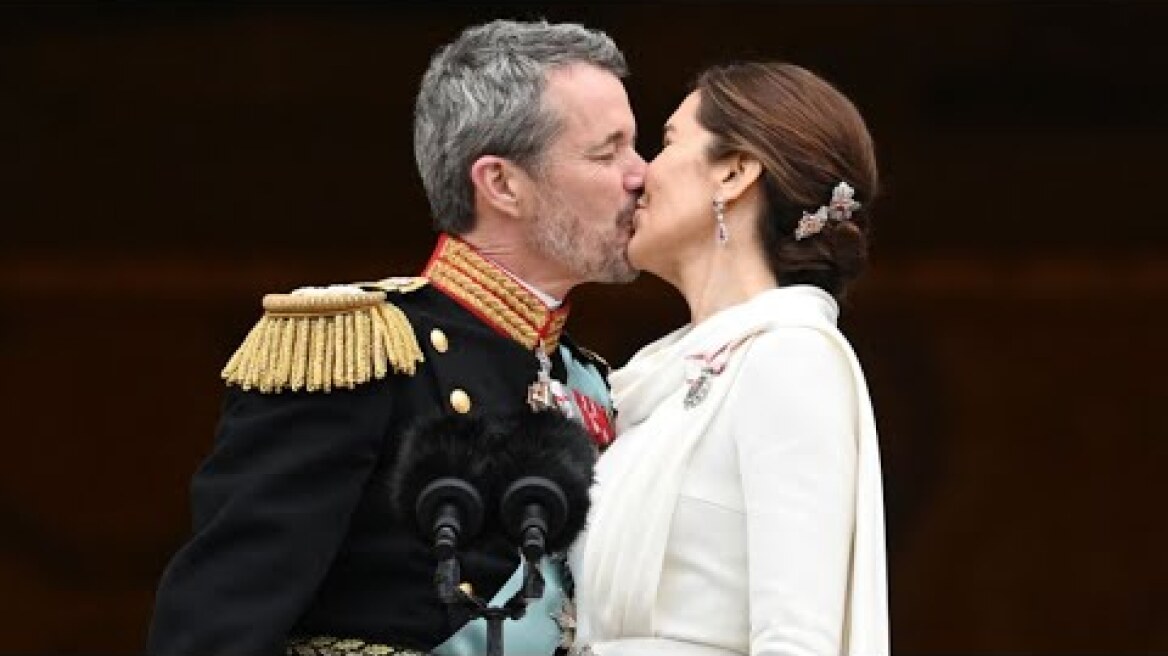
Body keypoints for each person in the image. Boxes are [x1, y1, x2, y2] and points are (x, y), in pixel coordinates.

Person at [147, 19, 646, 656]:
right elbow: (214, 630)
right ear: (501, 184)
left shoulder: (588, 379)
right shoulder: (361, 350)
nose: (642, 176)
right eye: (609, 153)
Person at [570, 62, 889, 655]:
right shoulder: (651, 382)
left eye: (665, 143)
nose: (638, 174)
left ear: (735, 172)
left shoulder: (789, 358)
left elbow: (797, 643)